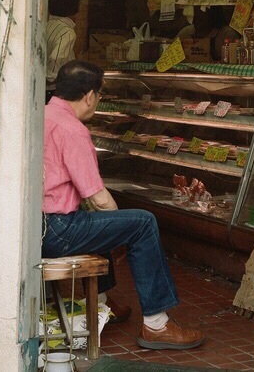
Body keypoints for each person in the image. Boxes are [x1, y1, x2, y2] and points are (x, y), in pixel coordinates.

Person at [42, 60, 205, 350]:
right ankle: (157, 324)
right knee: (141, 222)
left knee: (102, 220)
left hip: (37, 227)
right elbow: (98, 197)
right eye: (100, 95)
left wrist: (114, 229)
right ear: (90, 96)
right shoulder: (73, 129)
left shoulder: (41, 115)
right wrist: (120, 237)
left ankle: (101, 301)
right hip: (57, 231)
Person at [45, 0, 83, 97]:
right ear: (72, 7)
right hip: (54, 92)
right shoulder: (67, 32)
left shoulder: (46, 26)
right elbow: (54, 63)